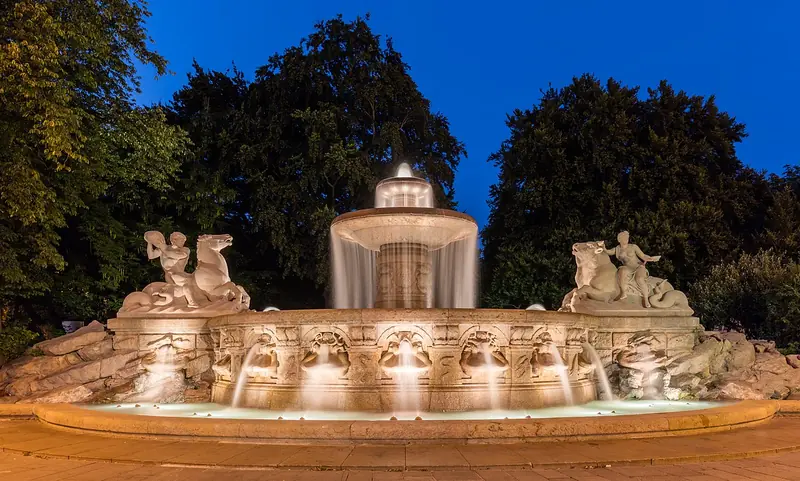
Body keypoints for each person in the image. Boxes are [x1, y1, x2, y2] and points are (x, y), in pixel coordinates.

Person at [606, 231, 661, 307]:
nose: (626, 239)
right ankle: (623, 293)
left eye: (627, 237)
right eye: (624, 238)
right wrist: (603, 248)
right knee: (622, 271)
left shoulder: (633, 247)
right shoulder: (617, 249)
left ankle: (646, 299)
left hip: (638, 267)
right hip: (627, 268)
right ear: (619, 239)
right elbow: (609, 252)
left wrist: (650, 258)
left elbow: (643, 255)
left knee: (639, 279)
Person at [145, 231, 198, 307]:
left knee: (191, 283)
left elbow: (177, 255)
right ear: (174, 240)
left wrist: (163, 248)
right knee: (186, 286)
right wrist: (149, 242)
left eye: (184, 240)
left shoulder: (184, 250)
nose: (183, 242)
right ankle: (192, 303)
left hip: (179, 274)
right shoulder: (164, 248)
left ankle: (192, 301)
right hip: (170, 275)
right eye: (182, 240)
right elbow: (151, 255)